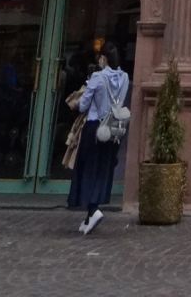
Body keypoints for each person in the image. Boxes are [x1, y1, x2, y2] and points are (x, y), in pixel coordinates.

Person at [67, 42, 129, 235]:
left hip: (94, 128)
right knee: (103, 169)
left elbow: (84, 105)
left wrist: (78, 99)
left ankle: (92, 210)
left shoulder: (97, 77)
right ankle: (90, 215)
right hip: (113, 127)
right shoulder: (125, 77)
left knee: (87, 169)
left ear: (104, 58)